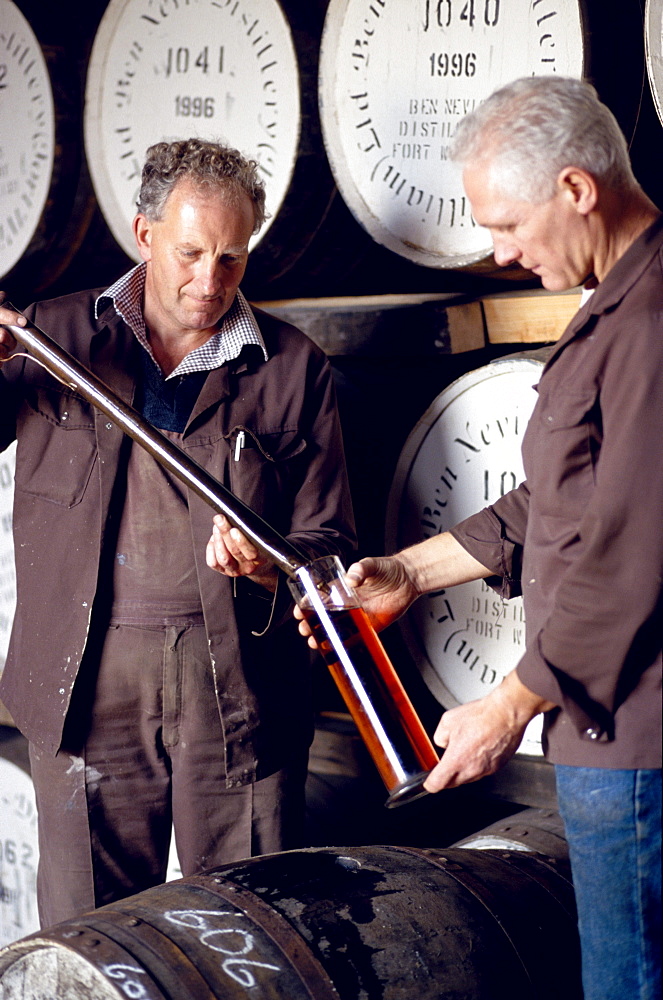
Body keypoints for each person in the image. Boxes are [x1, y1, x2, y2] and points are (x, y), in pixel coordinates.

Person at [297, 77, 662, 1000]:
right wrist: (409, 574)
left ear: (576, 189)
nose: (496, 251)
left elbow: (625, 555)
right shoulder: (619, 302)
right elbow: (558, 501)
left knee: (627, 981)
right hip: (607, 733)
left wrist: (506, 707)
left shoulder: (652, 325)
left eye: (505, 224)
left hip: (633, 738)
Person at [0, 138, 355, 927]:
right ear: (145, 232)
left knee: (253, 928)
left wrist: (273, 563)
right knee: (90, 929)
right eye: (191, 252)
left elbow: (329, 537)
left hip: (239, 692)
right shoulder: (51, 336)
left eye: (232, 258)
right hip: (84, 682)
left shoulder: (291, 367)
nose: (209, 282)